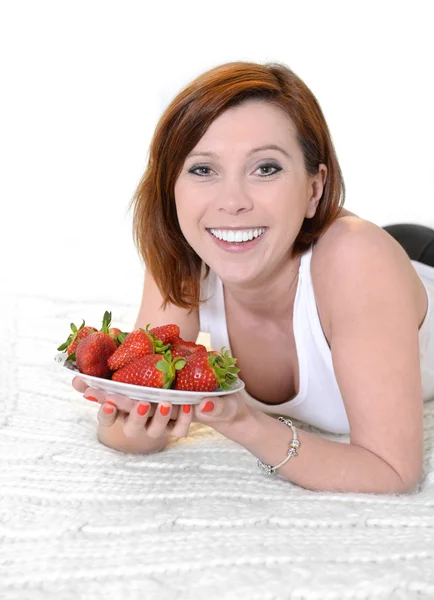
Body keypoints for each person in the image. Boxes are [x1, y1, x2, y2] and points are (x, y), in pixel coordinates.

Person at [72, 61, 434, 495]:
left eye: (266, 168)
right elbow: (140, 427)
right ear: (172, 188)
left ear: (314, 189)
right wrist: (122, 409)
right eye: (203, 169)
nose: (232, 202)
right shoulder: (187, 253)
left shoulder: (360, 262)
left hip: (410, 261)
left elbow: (392, 473)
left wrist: (243, 423)